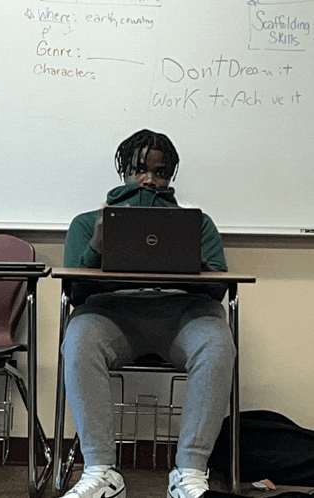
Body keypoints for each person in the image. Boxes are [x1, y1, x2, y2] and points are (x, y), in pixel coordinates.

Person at [61, 129, 236, 498]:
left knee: (218, 341)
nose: (148, 180)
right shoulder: (87, 222)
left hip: (182, 314)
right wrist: (97, 245)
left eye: (159, 173)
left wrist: (186, 256)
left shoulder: (196, 223)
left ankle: (189, 473)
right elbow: (76, 293)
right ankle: (101, 470)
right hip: (112, 315)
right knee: (78, 337)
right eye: (139, 170)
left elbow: (219, 288)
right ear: (124, 170)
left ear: (170, 176)